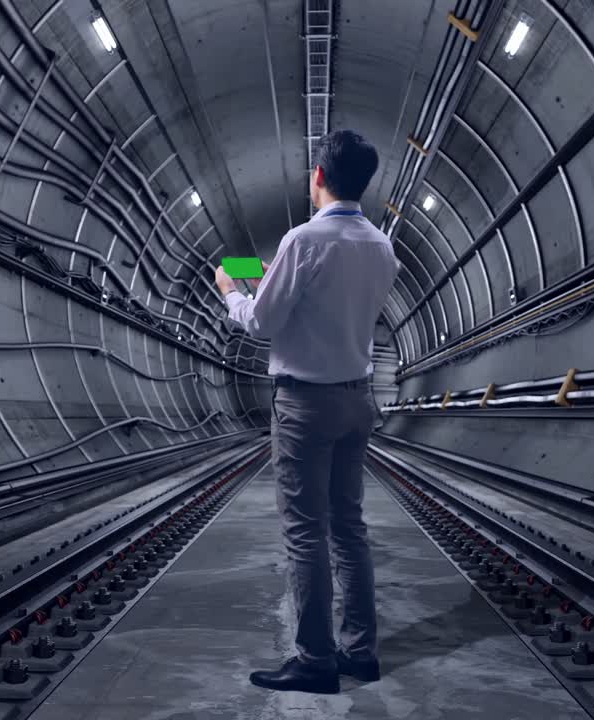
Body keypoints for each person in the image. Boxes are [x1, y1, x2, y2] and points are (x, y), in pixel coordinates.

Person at [213, 129, 401, 694]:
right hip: (356, 398)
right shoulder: (382, 246)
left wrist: (231, 290)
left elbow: (261, 323)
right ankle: (360, 653)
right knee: (349, 529)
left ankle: (315, 659)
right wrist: (280, 275)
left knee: (305, 534)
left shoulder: (303, 242)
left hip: (305, 404)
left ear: (318, 174)